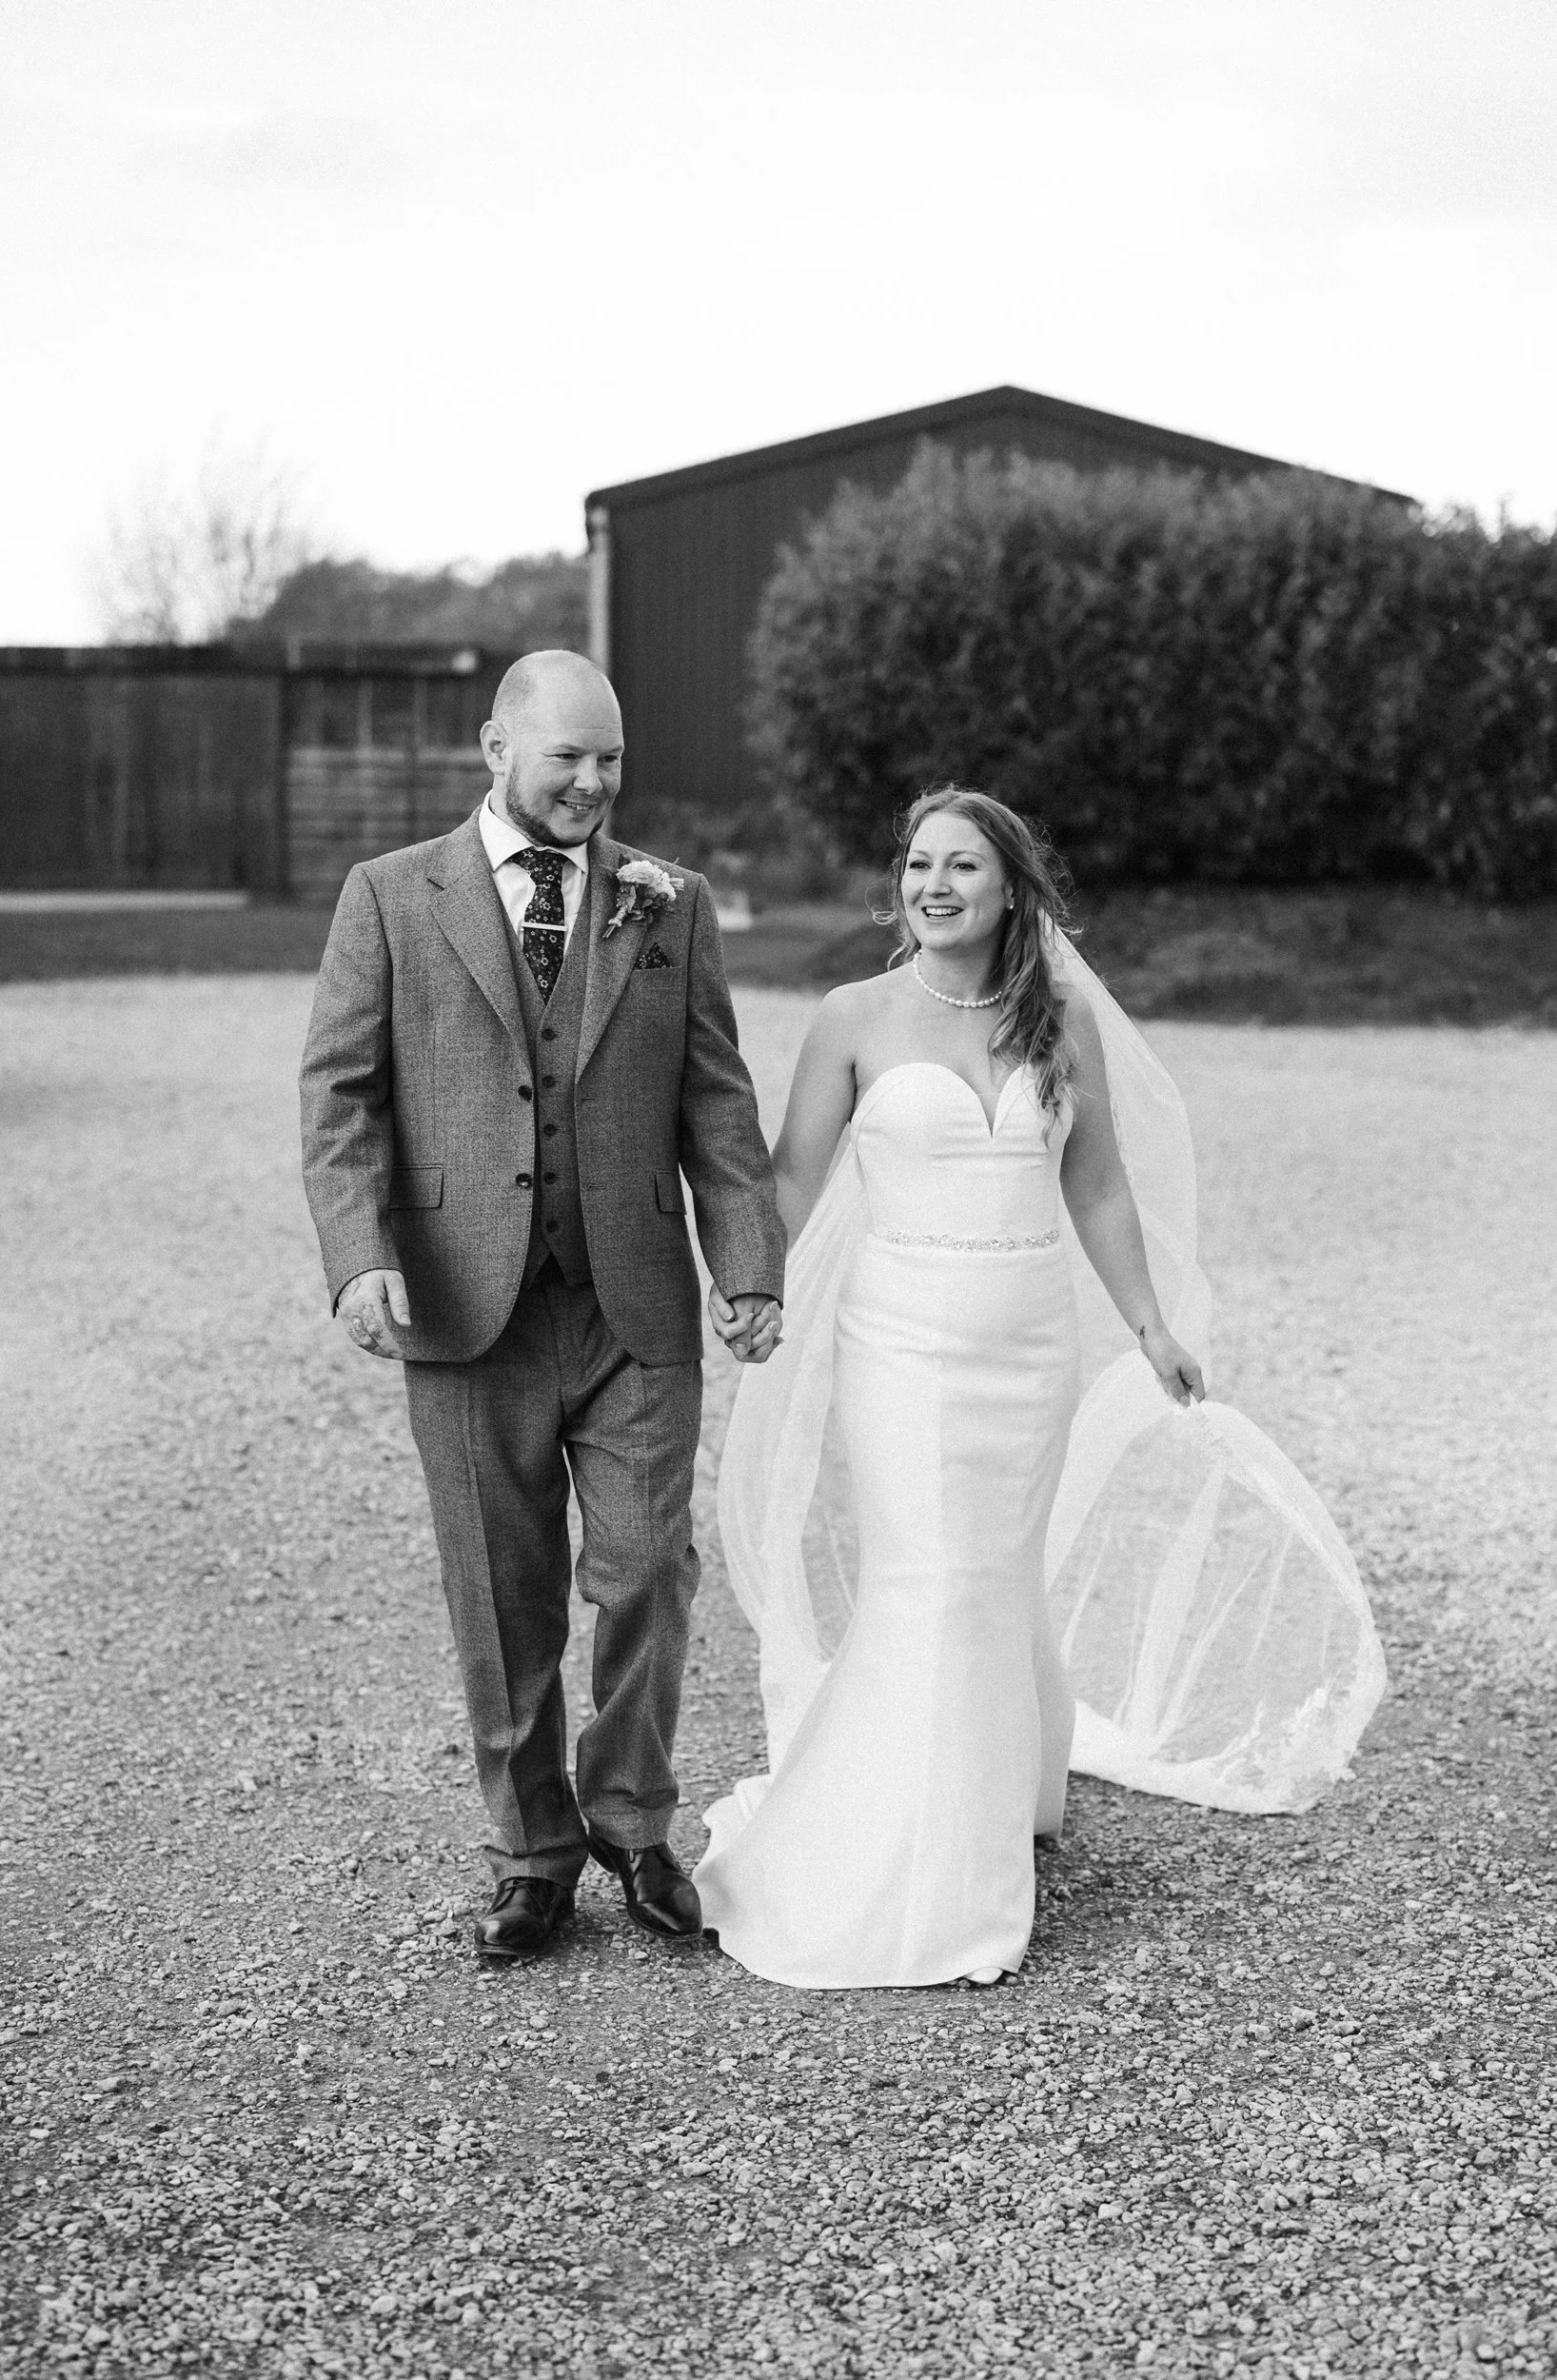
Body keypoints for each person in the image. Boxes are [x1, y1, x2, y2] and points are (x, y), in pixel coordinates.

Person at [695, 786, 1386, 1992]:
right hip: (899, 1344)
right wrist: (751, 1288)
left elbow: (1100, 1185)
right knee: (930, 1575)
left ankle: (1001, 1787)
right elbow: (790, 1175)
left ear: (1010, 887)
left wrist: (1147, 1322)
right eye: (918, 864)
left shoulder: (1055, 1018)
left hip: (1023, 1351)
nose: (934, 885)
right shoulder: (852, 1016)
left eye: (962, 865)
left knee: (996, 1572)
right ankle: (911, 1866)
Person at [299, 650, 785, 1965]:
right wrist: (357, 1257)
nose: (590, 782)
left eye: (610, 760)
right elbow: (339, 1097)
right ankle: (530, 1857)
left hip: (632, 1303)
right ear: (493, 748)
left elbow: (716, 1100)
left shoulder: (666, 903)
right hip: (465, 1308)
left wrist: (745, 1260)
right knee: (499, 1591)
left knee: (645, 1573)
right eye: (567, 755)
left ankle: (633, 1823)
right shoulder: (391, 899)